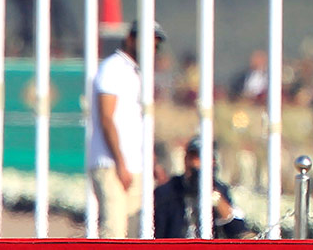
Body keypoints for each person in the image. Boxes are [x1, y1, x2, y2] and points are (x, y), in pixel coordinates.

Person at [87, 20, 166, 238]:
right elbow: (106, 117)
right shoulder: (113, 68)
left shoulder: (135, 73)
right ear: (131, 39)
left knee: (136, 231)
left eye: (155, 47)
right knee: (113, 231)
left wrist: (152, 162)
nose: (152, 51)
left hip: (135, 165)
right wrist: (120, 162)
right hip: (111, 164)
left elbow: (136, 123)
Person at [154, 137, 250, 239]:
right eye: (193, 158)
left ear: (213, 162)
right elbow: (158, 232)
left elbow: (238, 231)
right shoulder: (168, 190)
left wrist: (216, 198)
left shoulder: (220, 190)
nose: (196, 164)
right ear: (185, 160)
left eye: (202, 159)